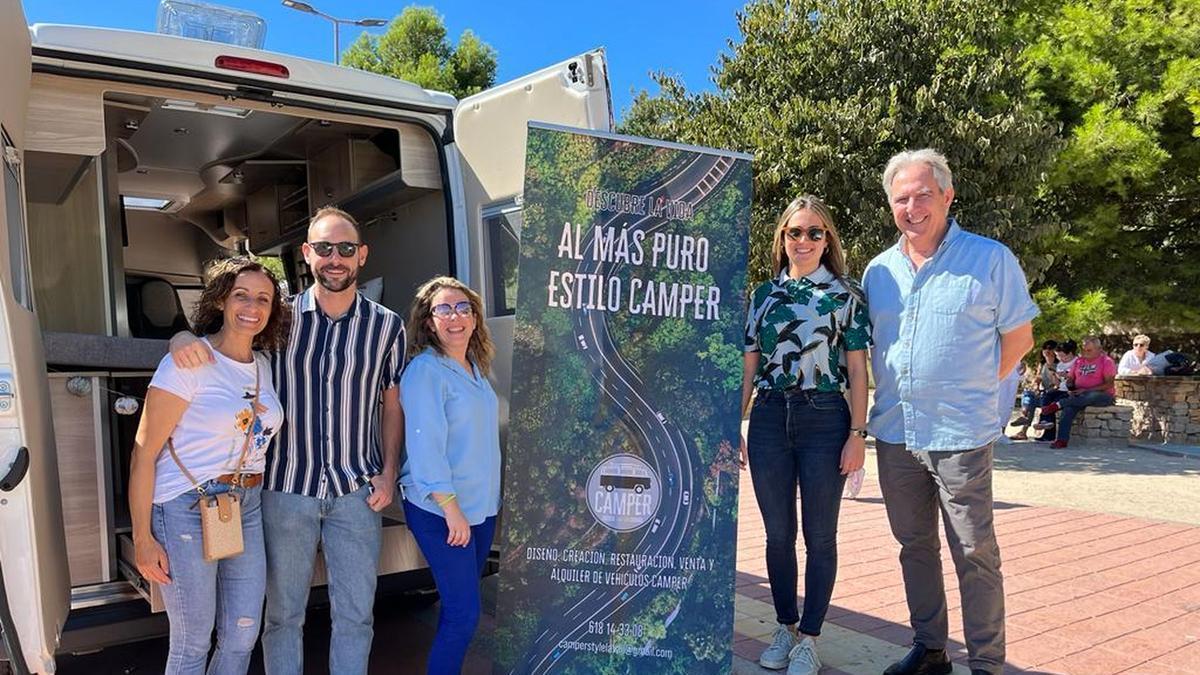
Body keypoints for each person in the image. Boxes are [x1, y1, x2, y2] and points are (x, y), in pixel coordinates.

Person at [170, 206, 406, 675]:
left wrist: (389, 470)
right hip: (283, 491)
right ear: (306, 254)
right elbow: (220, 349)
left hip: (357, 492)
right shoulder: (277, 318)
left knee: (356, 615)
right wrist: (180, 339)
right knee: (281, 617)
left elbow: (391, 403)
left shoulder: (387, 326)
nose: (333, 259)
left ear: (361, 256)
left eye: (344, 249)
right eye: (323, 248)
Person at [862, 149, 1037, 675]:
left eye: (923, 195)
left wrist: (975, 389)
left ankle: (985, 663)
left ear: (946, 196)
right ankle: (930, 649)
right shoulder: (878, 272)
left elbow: (1020, 338)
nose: (912, 206)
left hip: (960, 433)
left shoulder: (989, 259)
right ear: (890, 205)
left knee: (974, 550)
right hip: (895, 431)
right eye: (901, 198)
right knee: (914, 546)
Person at [130, 257, 290, 674]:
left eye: (263, 299)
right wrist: (143, 537)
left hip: (245, 505)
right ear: (221, 300)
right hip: (185, 505)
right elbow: (144, 453)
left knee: (242, 633)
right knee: (192, 640)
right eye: (241, 295)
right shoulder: (187, 362)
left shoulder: (264, 366)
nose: (251, 306)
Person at [740, 195, 871, 675]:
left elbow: (858, 370)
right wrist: (737, 421)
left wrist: (858, 433)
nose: (804, 241)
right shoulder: (761, 296)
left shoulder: (846, 295)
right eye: (795, 232)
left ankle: (810, 638)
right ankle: (785, 626)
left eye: (815, 232)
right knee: (778, 535)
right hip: (771, 419)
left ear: (828, 239)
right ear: (782, 239)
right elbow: (749, 365)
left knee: (820, 535)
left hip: (825, 419)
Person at [399, 276, 501, 675]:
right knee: (464, 615)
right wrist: (451, 508)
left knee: (458, 610)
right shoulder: (426, 372)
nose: (454, 317)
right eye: (443, 309)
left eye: (463, 308)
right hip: (444, 512)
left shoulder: (476, 369)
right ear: (429, 322)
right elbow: (426, 449)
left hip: (480, 508)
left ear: (475, 318)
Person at [1040, 336, 1117, 448]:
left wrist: (1086, 390)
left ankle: (1059, 404)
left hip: (1102, 395)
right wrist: (1071, 387)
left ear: (1099, 349)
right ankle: (1062, 440)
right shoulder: (1079, 361)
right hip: (1080, 395)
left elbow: (1109, 384)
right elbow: (1071, 379)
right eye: (1083, 350)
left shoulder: (1106, 361)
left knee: (1091, 395)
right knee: (1069, 409)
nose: (1085, 353)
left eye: (1089, 350)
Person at [1009, 340, 1057, 440]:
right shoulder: (1042, 364)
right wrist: (1036, 386)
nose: (1047, 351)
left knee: (1035, 399)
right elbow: (1039, 378)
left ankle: (1024, 424)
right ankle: (1024, 418)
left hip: (1052, 394)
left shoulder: (1058, 365)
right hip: (1043, 393)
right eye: (1045, 348)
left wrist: (1050, 364)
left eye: (1050, 348)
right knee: (1029, 394)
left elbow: (1057, 383)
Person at [1032, 339, 1077, 440]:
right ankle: (1046, 423)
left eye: (1062, 356)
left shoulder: (1077, 362)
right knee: (1047, 397)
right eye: (1058, 356)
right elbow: (1058, 383)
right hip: (1061, 389)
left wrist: (1068, 376)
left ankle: (1048, 432)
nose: (1060, 359)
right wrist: (1054, 375)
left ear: (1070, 353)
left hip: (1071, 391)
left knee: (1053, 405)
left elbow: (1078, 379)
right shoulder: (1060, 365)